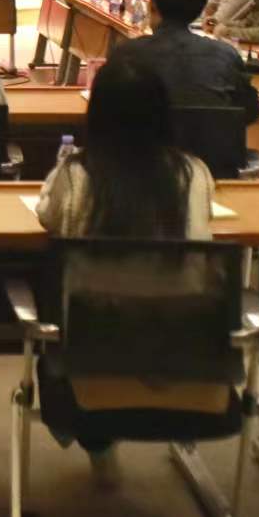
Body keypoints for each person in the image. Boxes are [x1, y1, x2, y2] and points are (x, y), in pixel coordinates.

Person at [33, 53, 216, 486]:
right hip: (186, 351)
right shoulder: (193, 173)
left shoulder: (76, 174)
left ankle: (98, 443)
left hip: (91, 351)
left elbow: (47, 215)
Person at [114, 0, 259, 122]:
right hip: (209, 137)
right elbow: (250, 111)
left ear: (152, 5)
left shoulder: (127, 54)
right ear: (199, 10)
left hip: (146, 137)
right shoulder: (226, 55)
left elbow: (108, 111)